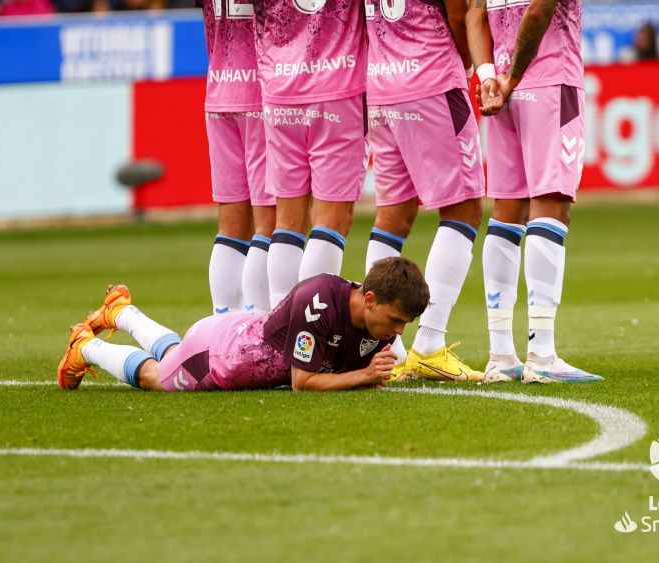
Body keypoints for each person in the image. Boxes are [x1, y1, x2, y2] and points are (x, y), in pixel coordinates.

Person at [467, 0, 602, 383]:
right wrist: (512, 77)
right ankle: (541, 354)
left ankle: (500, 354)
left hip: (502, 90)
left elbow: (475, 10)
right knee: (551, 207)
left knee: (507, 211)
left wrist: (489, 74)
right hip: (548, 82)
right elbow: (540, 11)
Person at [57, 257, 430, 392]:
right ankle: (84, 346)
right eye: (396, 320)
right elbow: (303, 383)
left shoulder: (374, 323)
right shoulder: (319, 303)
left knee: (172, 354)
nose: (399, 332)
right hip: (220, 356)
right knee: (157, 377)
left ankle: (120, 311)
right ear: (370, 300)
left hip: (236, 334)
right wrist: (364, 376)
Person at [362, 0, 485, 382]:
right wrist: (466, 64)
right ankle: (429, 344)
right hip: (430, 77)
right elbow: (458, 13)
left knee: (392, 216)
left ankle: (386, 348)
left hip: (381, 83)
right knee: (463, 210)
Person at [251, 0, 368, 308]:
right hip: (335, 85)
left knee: (288, 221)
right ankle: (306, 329)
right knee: (331, 221)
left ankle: (277, 329)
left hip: (279, 87)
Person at [197, 0, 276, 316]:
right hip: (264, 92)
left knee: (231, 225)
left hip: (220, 90)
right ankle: (262, 327)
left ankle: (224, 324)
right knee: (272, 223)